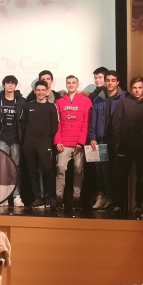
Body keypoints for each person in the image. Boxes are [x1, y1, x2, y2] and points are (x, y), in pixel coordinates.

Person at [112, 76, 143, 219]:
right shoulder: (124, 102)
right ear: (131, 88)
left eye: (140, 88)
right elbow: (116, 123)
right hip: (125, 147)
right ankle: (119, 204)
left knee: (141, 178)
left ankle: (138, 205)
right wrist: (118, 142)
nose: (137, 90)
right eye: (134, 88)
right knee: (120, 177)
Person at [88, 70, 126, 211]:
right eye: (108, 80)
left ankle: (118, 201)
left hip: (118, 141)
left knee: (118, 172)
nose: (110, 83)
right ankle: (108, 199)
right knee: (104, 172)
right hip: (102, 140)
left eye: (113, 80)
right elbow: (94, 120)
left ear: (117, 82)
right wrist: (92, 137)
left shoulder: (124, 97)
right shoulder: (98, 99)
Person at [54, 75, 92, 210]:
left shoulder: (86, 101)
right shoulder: (59, 102)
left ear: (77, 84)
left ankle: (76, 198)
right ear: (66, 85)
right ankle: (59, 198)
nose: (71, 85)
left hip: (78, 144)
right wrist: (57, 141)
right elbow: (56, 124)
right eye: (68, 83)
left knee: (78, 171)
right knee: (60, 169)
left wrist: (81, 142)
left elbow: (86, 122)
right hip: (63, 143)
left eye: (73, 83)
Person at [21, 81, 59, 209]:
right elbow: (23, 124)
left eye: (43, 90)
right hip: (29, 143)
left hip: (44, 143)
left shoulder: (51, 107)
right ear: (34, 91)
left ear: (47, 91)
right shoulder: (27, 106)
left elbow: (55, 126)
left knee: (48, 170)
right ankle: (39, 198)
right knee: (32, 173)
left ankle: (51, 197)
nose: (41, 92)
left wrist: (47, 139)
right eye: (38, 90)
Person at [0, 75, 26, 208]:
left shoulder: (22, 101)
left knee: (15, 168)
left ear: (15, 86)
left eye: (12, 83)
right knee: (2, 168)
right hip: (2, 139)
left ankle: (16, 195)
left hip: (16, 139)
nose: (10, 85)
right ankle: (3, 197)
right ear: (4, 85)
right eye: (8, 83)